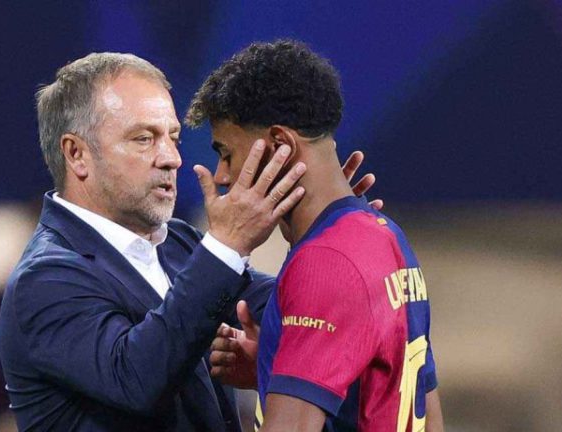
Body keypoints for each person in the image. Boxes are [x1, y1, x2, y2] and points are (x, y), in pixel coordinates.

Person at [0, 52, 376, 431]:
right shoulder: (45, 280)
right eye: (144, 139)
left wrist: (320, 233)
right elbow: (136, 379)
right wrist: (227, 245)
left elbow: (294, 310)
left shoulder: (178, 243)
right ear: (77, 154)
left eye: (173, 138)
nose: (171, 159)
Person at [187, 40, 444, 431]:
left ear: (280, 146)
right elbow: (427, 417)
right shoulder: (386, 236)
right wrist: (274, 371)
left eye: (227, 154)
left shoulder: (326, 262)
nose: (222, 176)